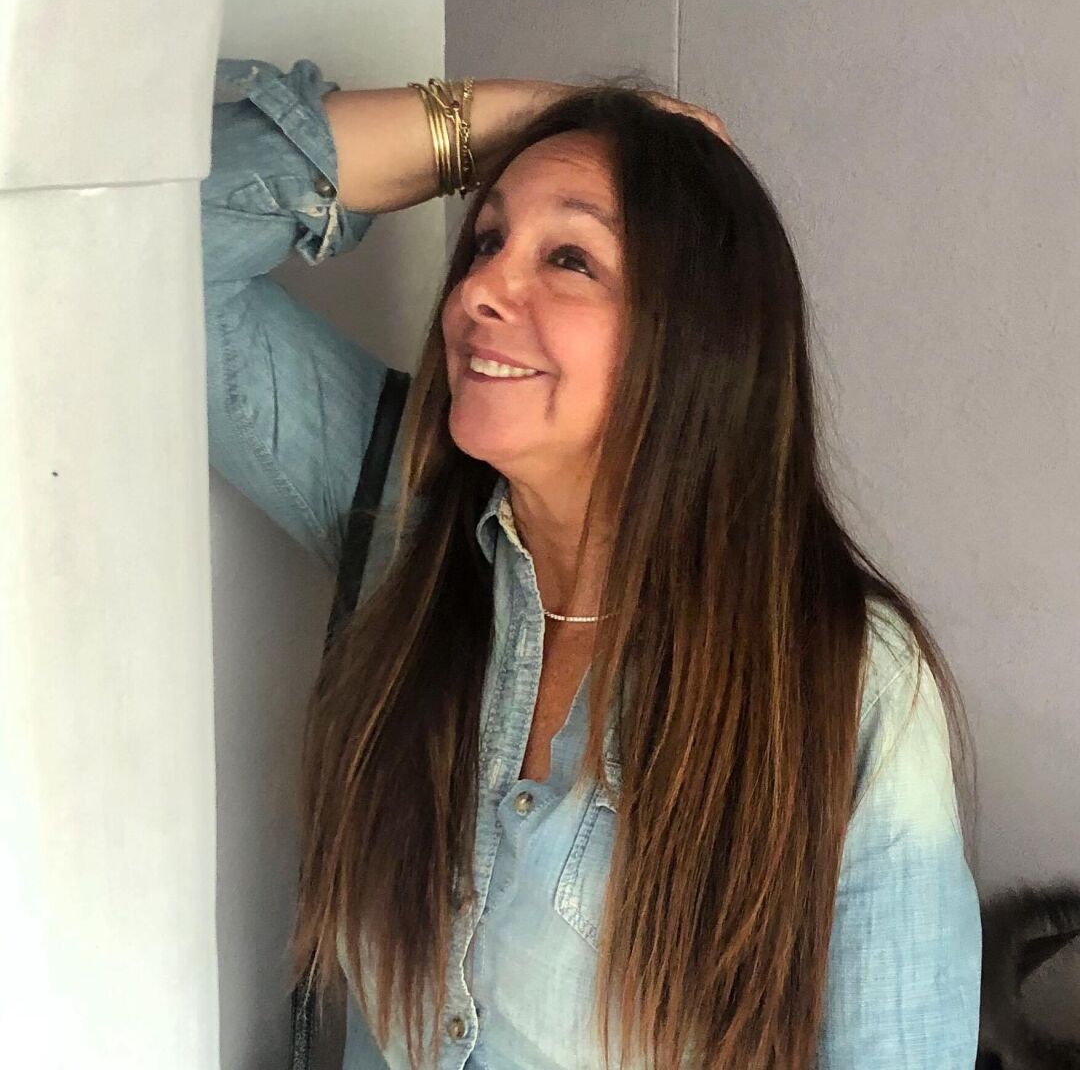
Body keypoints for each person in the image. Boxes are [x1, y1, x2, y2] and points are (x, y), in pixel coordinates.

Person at [202, 56, 982, 1070]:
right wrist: (517, 124)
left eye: (570, 259)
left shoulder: (845, 679)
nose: (479, 289)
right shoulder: (402, 514)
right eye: (488, 240)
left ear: (692, 335)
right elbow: (143, 236)